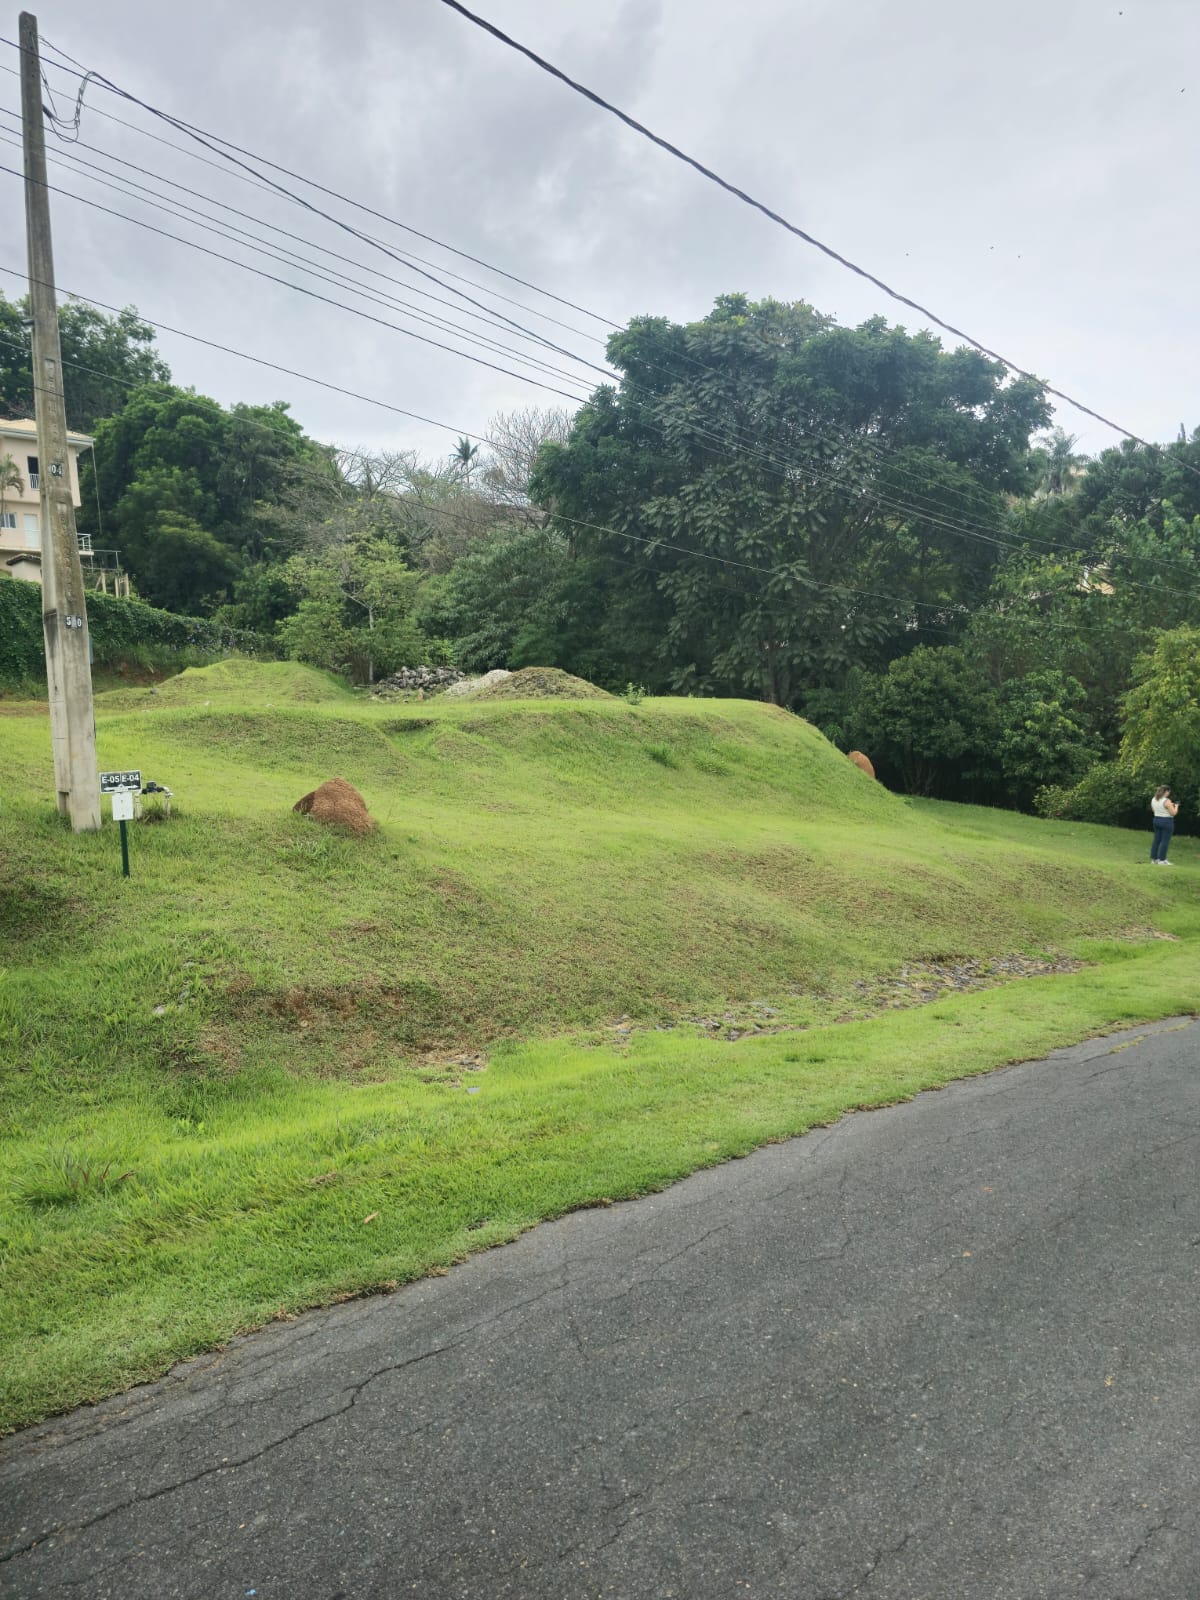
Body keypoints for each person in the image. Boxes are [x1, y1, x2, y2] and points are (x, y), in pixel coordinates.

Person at [1150, 786, 1179, 865]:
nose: (1169, 793)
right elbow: (1173, 813)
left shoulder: (1154, 799)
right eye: (1168, 792)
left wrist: (1167, 807)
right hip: (1166, 821)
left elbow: (1154, 810)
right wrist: (1176, 807)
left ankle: (1154, 859)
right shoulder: (1167, 800)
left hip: (1156, 819)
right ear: (1166, 791)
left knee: (1156, 840)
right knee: (1165, 841)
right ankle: (1162, 859)